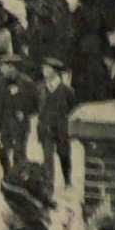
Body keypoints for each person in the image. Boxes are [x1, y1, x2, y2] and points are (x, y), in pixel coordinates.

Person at [36, 58, 77, 192]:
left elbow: (72, 109)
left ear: (56, 72)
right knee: (47, 158)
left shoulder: (67, 90)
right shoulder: (40, 88)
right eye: (43, 68)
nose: (45, 71)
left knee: (64, 154)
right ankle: (49, 185)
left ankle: (68, 181)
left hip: (61, 129)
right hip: (45, 127)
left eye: (48, 69)